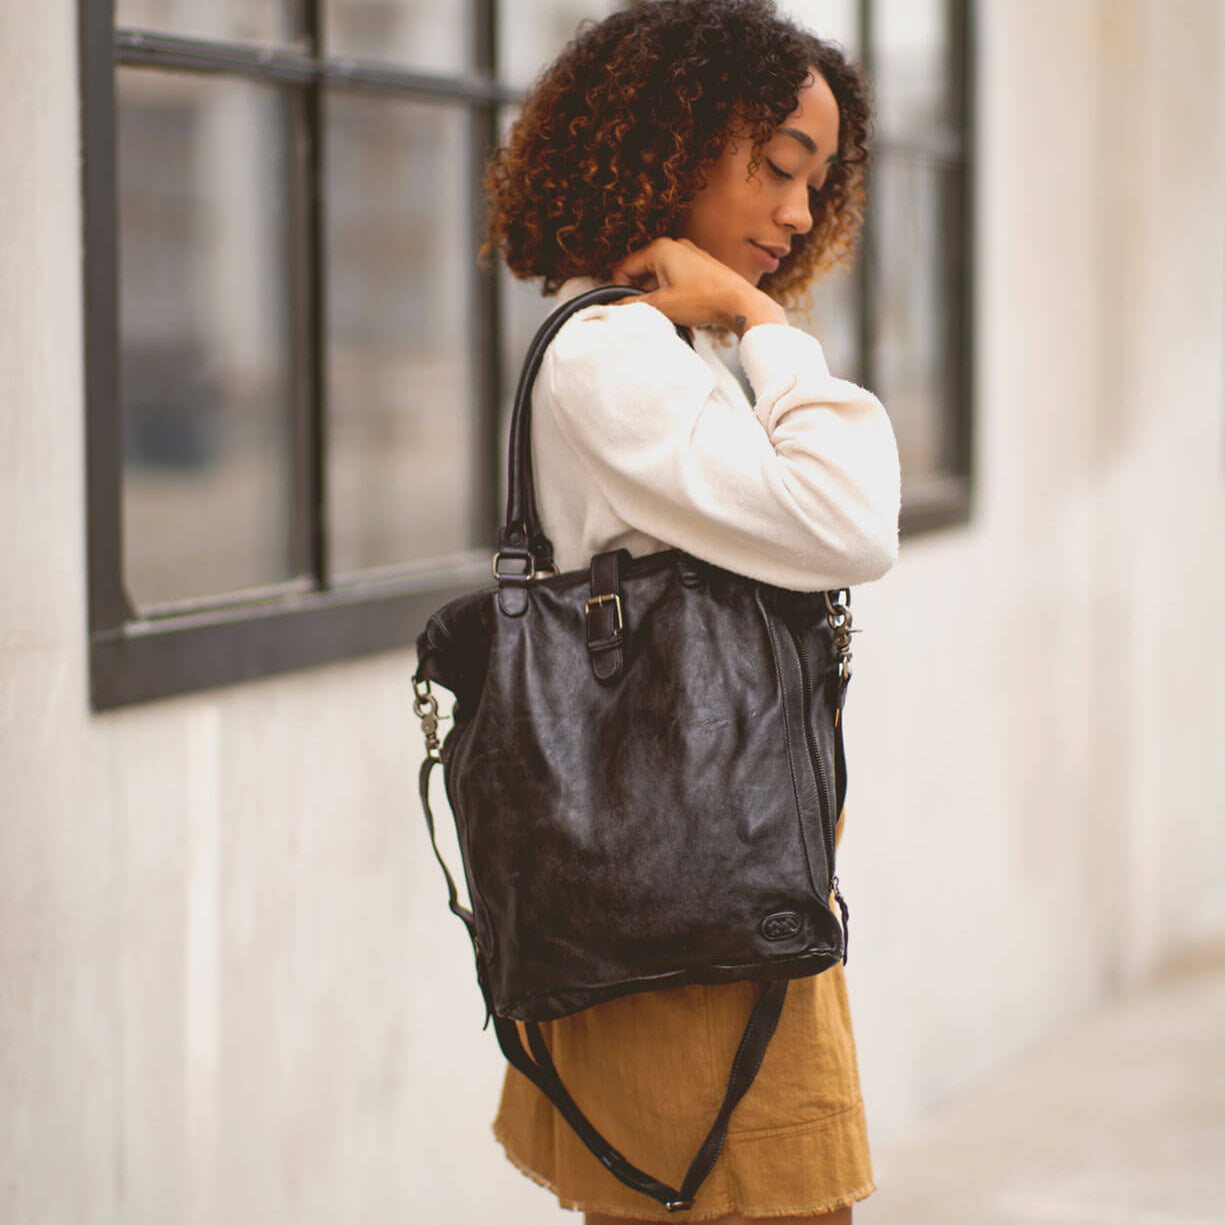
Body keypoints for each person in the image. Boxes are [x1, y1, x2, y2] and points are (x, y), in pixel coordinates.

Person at [478, 1, 901, 1220]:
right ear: (673, 138)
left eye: (817, 183)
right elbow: (847, 522)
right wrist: (769, 327)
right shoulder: (614, 356)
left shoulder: (657, 350)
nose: (796, 214)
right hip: (688, 923)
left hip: (705, 895)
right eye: (777, 167)